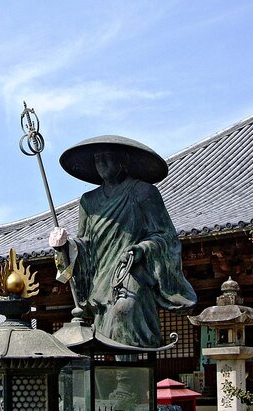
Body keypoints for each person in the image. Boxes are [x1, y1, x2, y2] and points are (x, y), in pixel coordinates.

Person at [49, 135, 196, 348]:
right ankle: (116, 377)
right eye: (97, 159)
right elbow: (85, 243)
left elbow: (166, 236)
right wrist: (64, 245)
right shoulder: (89, 202)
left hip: (132, 270)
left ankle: (136, 372)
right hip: (101, 278)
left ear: (123, 161)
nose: (101, 164)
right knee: (104, 332)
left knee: (125, 310)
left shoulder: (144, 192)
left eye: (107, 157)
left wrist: (142, 249)